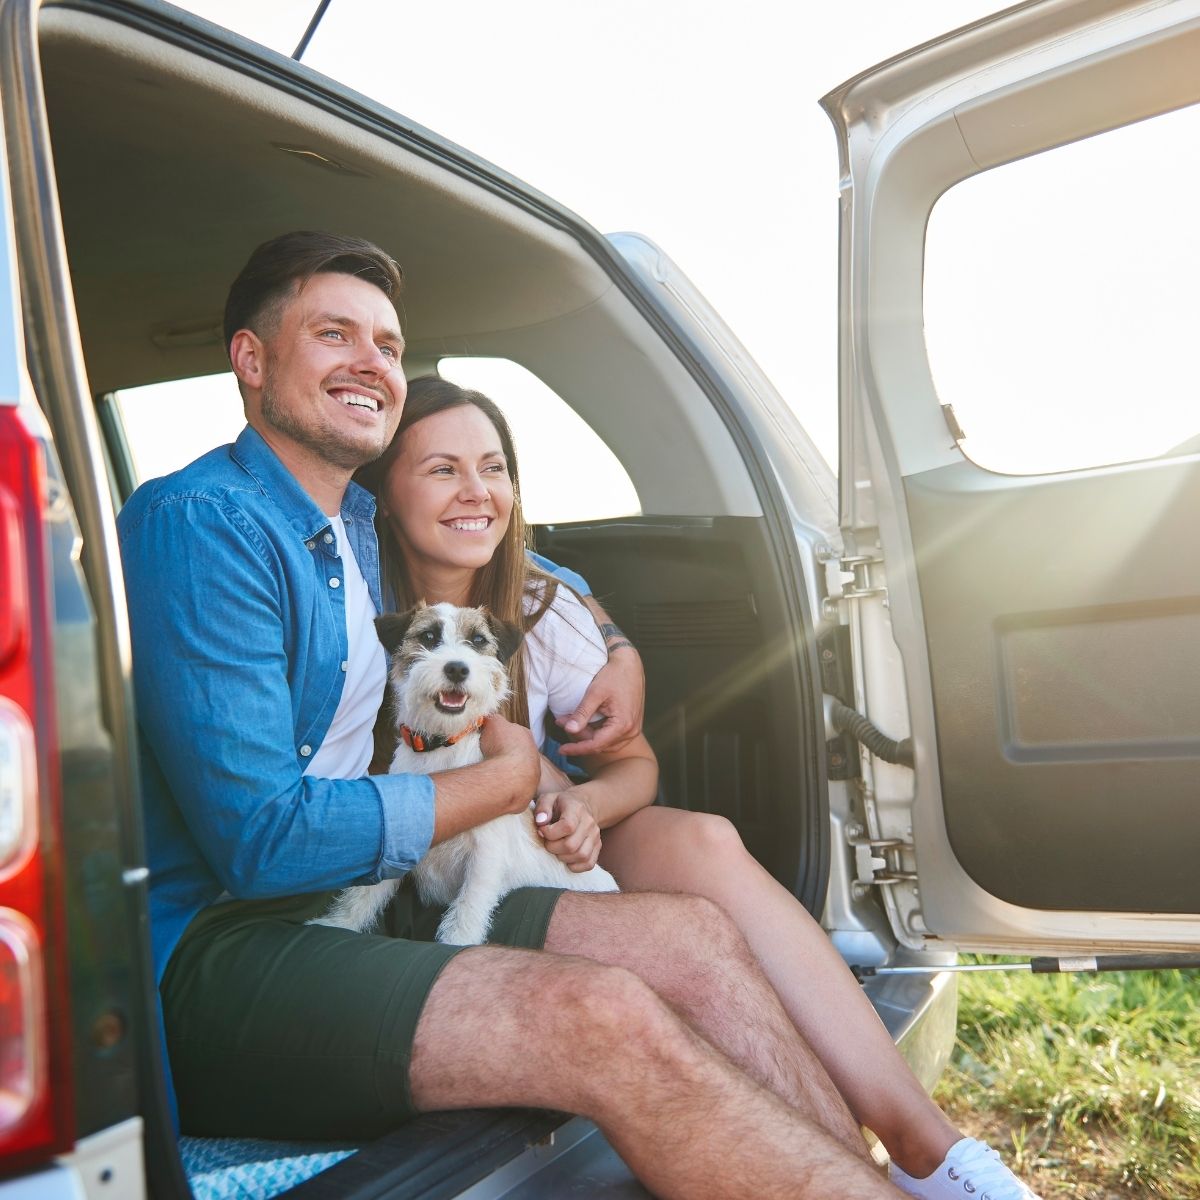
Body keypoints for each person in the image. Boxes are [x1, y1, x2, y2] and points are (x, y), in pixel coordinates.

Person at [118, 230, 905, 1200]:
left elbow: (506, 559)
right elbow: (261, 844)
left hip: (374, 897)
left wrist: (614, 645)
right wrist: (500, 781)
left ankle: (891, 1181)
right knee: (606, 1015)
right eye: (334, 334)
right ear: (252, 359)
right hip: (229, 950)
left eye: (389, 344)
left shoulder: (357, 530)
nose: (371, 362)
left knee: (695, 939)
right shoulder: (205, 524)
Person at [366, 373, 1044, 1200]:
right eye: (442, 470)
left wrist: (582, 803)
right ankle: (858, 1179)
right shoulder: (356, 601)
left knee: (705, 839)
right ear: (382, 496)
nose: (477, 491)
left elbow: (636, 768)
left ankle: (925, 1148)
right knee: (603, 847)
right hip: (419, 859)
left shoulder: (540, 601)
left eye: (494, 466)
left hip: (536, 840)